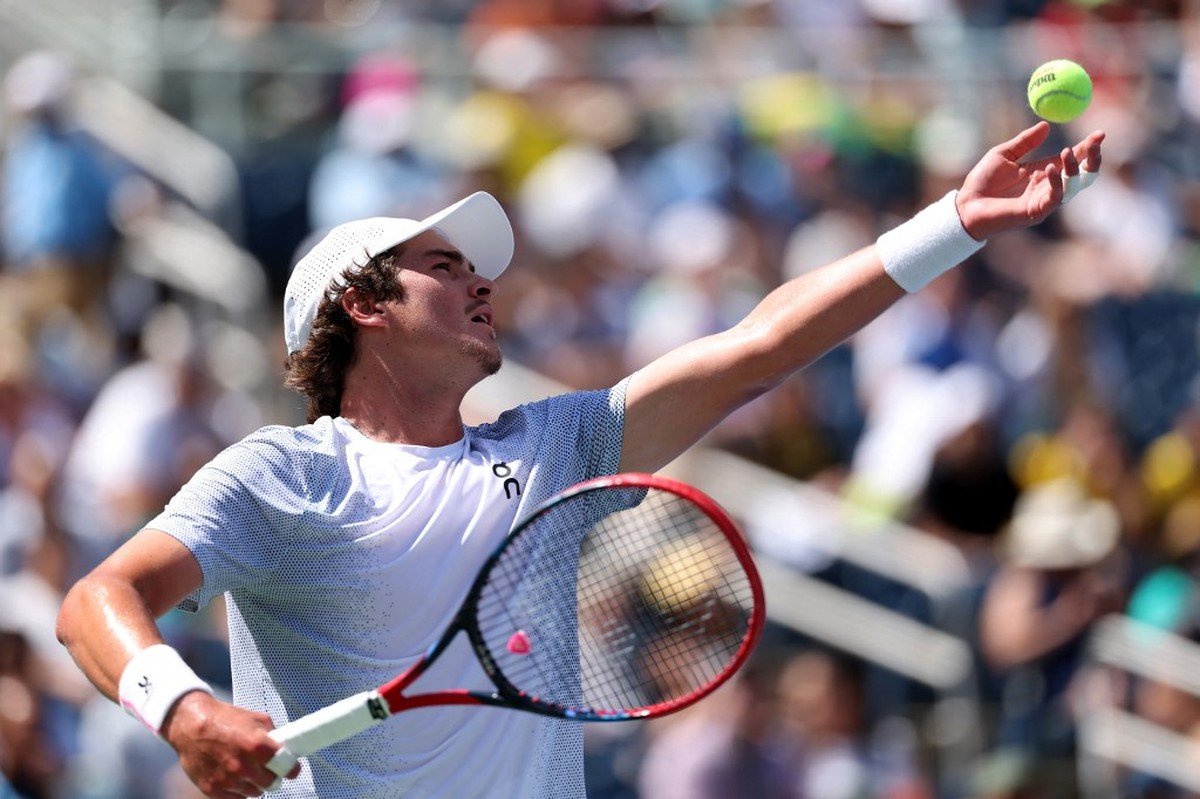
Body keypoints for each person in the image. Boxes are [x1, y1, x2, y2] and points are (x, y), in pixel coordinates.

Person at [55, 120, 1105, 798]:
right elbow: (96, 600)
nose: (481, 285)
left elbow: (760, 348)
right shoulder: (281, 474)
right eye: (443, 266)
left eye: (477, 269)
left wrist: (954, 225)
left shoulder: (553, 444)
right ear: (364, 305)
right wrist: (182, 709)